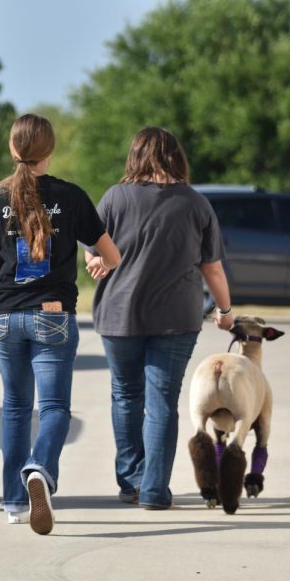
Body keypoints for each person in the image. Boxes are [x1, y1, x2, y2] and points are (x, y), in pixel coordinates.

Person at [0, 113, 121, 535]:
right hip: (53, 314)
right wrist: (93, 262)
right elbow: (113, 255)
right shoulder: (71, 197)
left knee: (15, 408)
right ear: (48, 151)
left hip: (5, 316)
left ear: (13, 149)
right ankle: (40, 468)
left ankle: (14, 502)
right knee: (53, 408)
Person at [85, 126, 232, 510]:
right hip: (176, 318)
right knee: (162, 402)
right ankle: (153, 490)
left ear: (135, 155)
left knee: (125, 395)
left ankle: (131, 480)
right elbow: (212, 269)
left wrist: (96, 263)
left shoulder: (115, 198)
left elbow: (90, 249)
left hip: (118, 315)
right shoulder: (196, 203)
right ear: (175, 156)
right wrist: (226, 310)